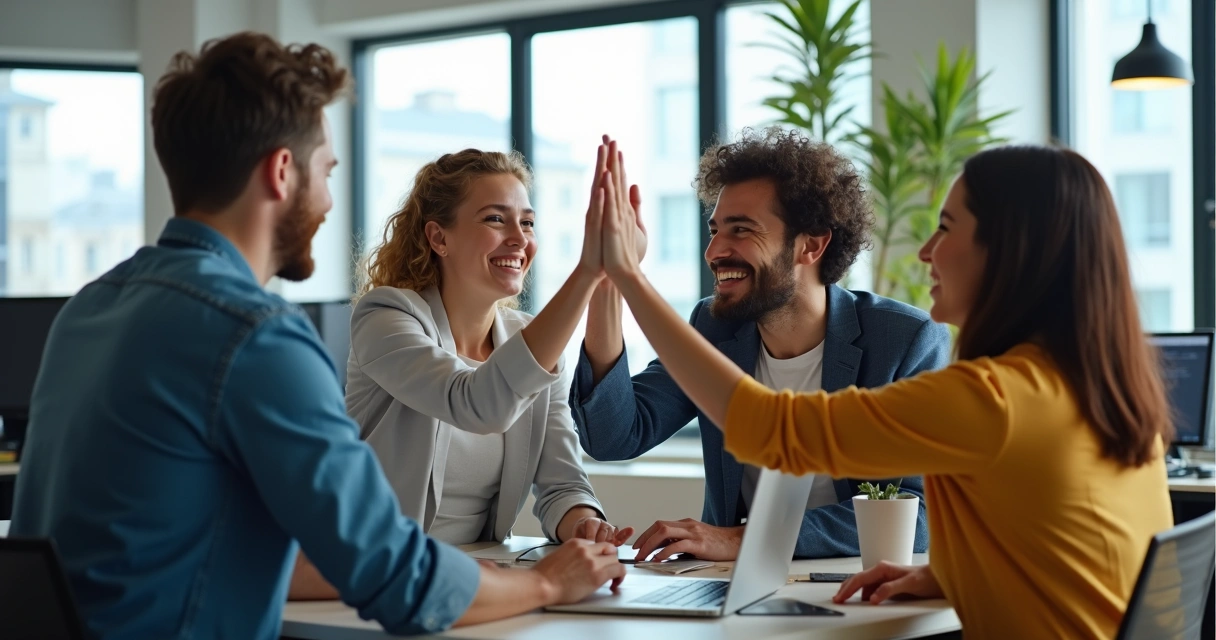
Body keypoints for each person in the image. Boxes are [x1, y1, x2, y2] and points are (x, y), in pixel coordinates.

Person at [9, 32, 624, 640]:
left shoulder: (89, 309)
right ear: (282, 172)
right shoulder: (257, 338)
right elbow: (392, 573)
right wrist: (546, 584)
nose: (330, 201)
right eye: (326, 171)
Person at [590, 143, 1174, 638]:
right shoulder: (1092, 389)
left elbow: (774, 432)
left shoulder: (995, 398)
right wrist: (948, 577)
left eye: (946, 228)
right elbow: (1057, 545)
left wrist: (628, 276)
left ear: (1010, 251)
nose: (926, 251)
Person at [572, 128, 951, 561]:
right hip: (735, 589)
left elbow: (918, 514)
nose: (715, 250)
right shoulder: (714, 329)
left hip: (854, 586)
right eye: (715, 230)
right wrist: (607, 278)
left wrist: (738, 539)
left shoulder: (905, 341)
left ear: (811, 245)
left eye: (741, 230)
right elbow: (613, 436)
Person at [288, 145, 639, 599]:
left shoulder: (530, 337)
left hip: (470, 578)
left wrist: (585, 523)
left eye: (527, 223)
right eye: (496, 219)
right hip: (365, 577)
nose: (519, 238)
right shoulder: (386, 316)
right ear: (439, 238)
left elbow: (562, 482)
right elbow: (477, 403)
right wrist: (588, 272)